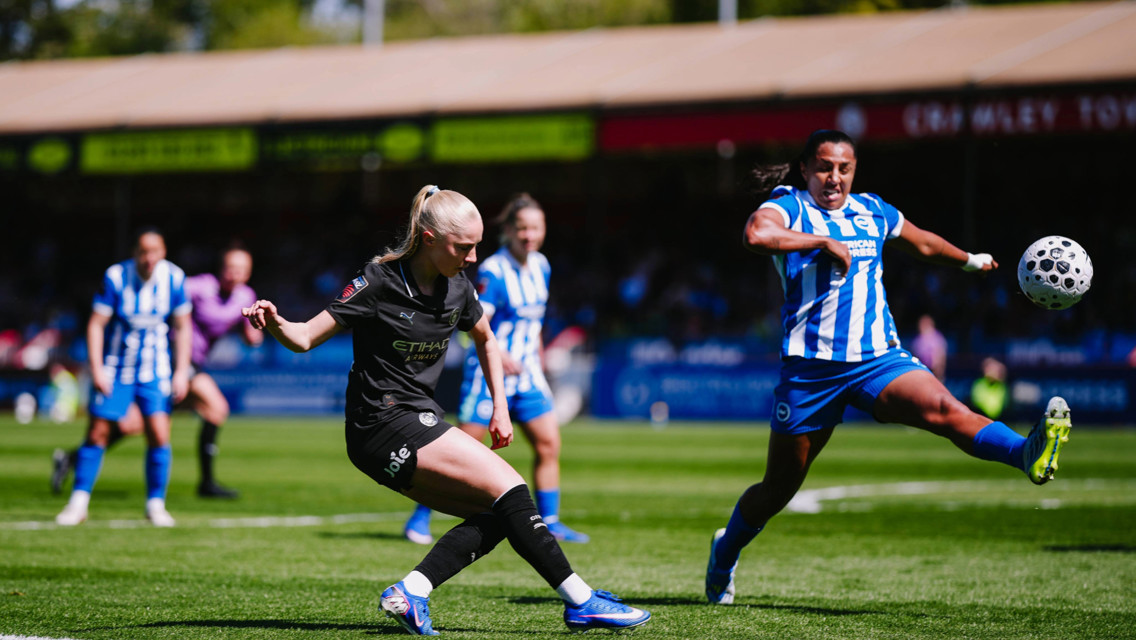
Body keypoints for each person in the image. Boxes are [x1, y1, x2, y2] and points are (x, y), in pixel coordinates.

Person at [242, 185, 650, 635]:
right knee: (512, 486)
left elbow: (487, 340)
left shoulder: (459, 288)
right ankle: (582, 601)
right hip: (382, 423)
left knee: (500, 512)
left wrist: (500, 407)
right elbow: (303, 338)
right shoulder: (378, 282)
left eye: (477, 246)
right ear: (429, 238)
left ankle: (410, 593)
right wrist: (275, 322)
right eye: (464, 246)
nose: (474, 257)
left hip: (416, 419)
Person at [704, 130, 1073, 605]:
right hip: (810, 372)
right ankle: (725, 550)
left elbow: (922, 243)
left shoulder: (872, 210)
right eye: (823, 167)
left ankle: (1028, 453)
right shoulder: (789, 206)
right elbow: (756, 234)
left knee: (946, 408)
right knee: (777, 490)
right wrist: (819, 242)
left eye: (843, 168)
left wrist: (970, 260)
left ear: (854, 171)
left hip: (878, 358)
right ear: (804, 169)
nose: (833, 177)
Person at [403, 193, 588, 546]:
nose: (529, 236)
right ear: (508, 231)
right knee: (460, 450)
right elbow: (478, 321)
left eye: (536, 228)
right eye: (522, 229)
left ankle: (549, 521)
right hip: (489, 376)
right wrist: (499, 356)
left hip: (529, 374)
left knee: (548, 443)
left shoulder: (542, 266)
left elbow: (534, 323)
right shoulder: (494, 270)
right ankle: (419, 517)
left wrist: (537, 356)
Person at [52, 247, 262, 498]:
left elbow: (251, 337)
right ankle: (206, 483)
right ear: (221, 268)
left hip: (194, 362)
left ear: (248, 274)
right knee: (215, 407)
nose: (233, 274)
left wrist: (255, 329)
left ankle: (71, 458)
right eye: (230, 267)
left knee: (135, 424)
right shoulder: (199, 287)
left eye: (240, 270)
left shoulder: (245, 296)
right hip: (171, 357)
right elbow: (166, 299)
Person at [55, 227, 192, 527]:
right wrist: (97, 368)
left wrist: (181, 371)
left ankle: (155, 504)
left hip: (155, 370)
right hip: (116, 368)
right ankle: (78, 503)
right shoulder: (116, 277)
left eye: (154, 251)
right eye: (143, 252)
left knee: (159, 433)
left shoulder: (175, 278)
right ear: (135, 253)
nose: (149, 258)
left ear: (163, 252)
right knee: (98, 432)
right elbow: (96, 324)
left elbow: (183, 327)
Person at [909, 313, 948, 380]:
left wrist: (939, 369)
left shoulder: (937, 337)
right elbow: (914, 355)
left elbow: (941, 354)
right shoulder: (917, 339)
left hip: (935, 370)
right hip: (922, 370)